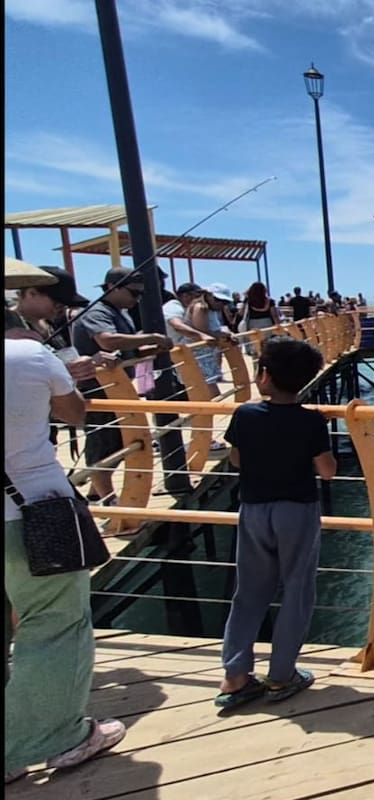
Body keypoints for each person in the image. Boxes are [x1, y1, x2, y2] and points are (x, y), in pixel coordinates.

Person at [5, 267, 126, 783]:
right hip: (30, 509)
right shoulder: (32, 355)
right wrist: (61, 372)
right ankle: (57, 738)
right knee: (55, 625)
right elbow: (75, 414)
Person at [215, 337, 335, 710]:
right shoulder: (310, 421)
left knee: (249, 592)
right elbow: (327, 471)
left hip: (254, 509)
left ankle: (235, 675)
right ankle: (282, 674)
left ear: (264, 375)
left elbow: (236, 460)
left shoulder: (245, 415)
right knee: (297, 589)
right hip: (297, 510)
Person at [71, 267, 172, 504]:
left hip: (116, 388)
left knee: (118, 441)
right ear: (112, 287)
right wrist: (152, 337)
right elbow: (107, 341)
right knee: (102, 443)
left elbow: (125, 350)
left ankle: (97, 492)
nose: (137, 299)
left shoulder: (119, 312)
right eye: (133, 293)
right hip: (97, 389)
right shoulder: (96, 311)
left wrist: (150, 349)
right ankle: (108, 499)